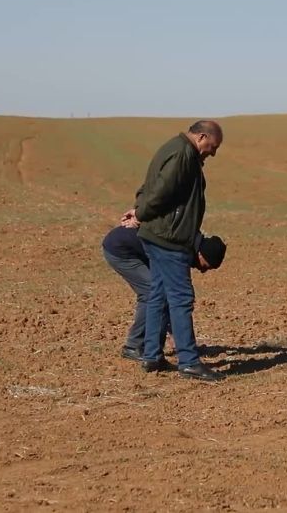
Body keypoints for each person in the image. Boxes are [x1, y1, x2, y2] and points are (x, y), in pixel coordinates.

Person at [132, 120, 224, 381]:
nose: (213, 152)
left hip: (159, 235)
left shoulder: (174, 148)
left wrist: (139, 211)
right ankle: (189, 361)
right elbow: (161, 192)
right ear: (201, 136)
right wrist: (141, 213)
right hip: (168, 239)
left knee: (158, 295)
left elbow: (149, 187)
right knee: (181, 298)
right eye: (212, 146)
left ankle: (152, 355)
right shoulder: (183, 154)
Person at [101, 222, 227, 361]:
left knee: (161, 292)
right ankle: (134, 346)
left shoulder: (189, 239)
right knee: (151, 293)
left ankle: (155, 345)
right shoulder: (184, 249)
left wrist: (177, 338)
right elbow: (179, 296)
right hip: (121, 250)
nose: (202, 271)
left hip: (139, 250)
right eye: (205, 266)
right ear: (201, 254)